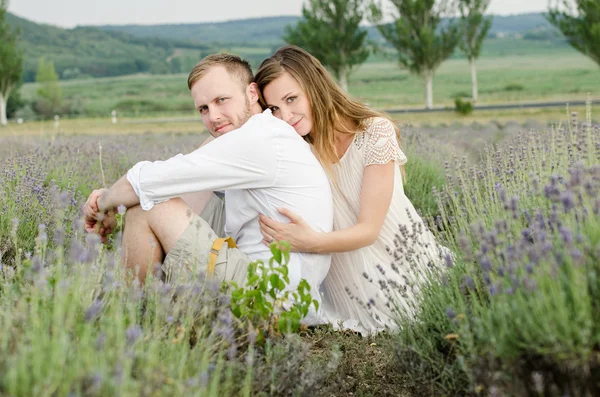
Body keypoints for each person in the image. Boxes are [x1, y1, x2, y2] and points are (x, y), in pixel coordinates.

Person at [84, 53, 333, 323]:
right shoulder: (260, 134)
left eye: (221, 100)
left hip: (273, 297)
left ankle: (127, 320)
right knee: (153, 200)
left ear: (251, 93)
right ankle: (144, 312)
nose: (213, 116)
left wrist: (103, 203)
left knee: (148, 207)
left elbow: (147, 181)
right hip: (285, 292)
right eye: (203, 108)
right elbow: (179, 186)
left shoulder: (259, 139)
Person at [254, 45, 446, 335]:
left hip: (404, 268)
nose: (286, 116)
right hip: (349, 288)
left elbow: (369, 230)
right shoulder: (296, 150)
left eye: (292, 99)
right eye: (274, 109)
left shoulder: (374, 132)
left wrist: (309, 241)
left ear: (315, 87)